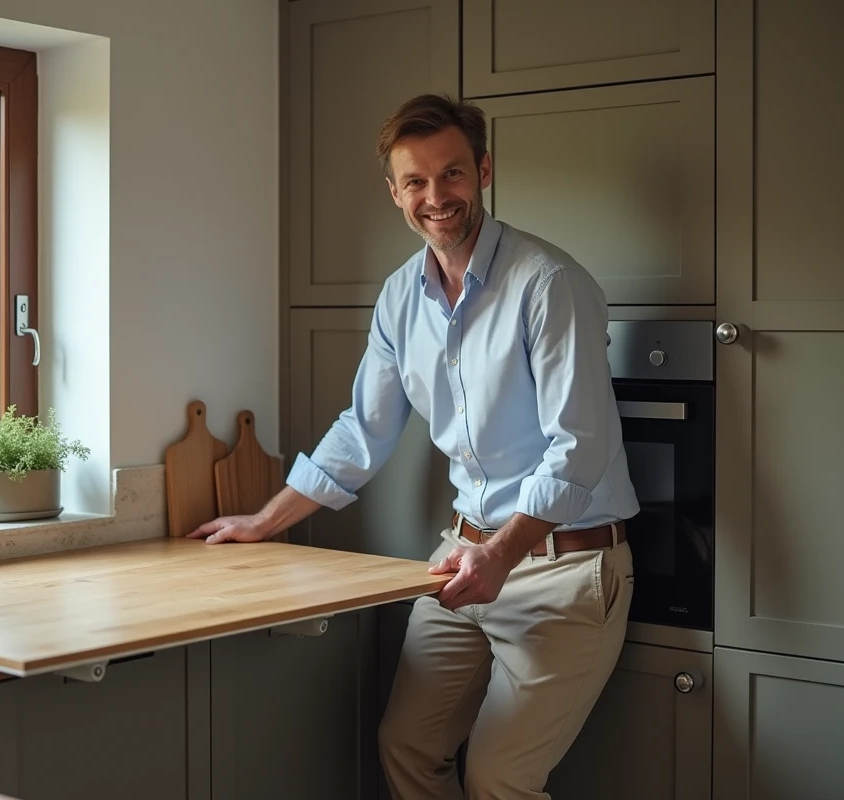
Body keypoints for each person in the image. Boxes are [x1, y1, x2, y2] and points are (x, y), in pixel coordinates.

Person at [188, 93, 639, 800]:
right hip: (460, 558)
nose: (437, 196)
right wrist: (263, 522)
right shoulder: (401, 296)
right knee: (407, 747)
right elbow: (363, 430)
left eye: (452, 174)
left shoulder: (550, 284)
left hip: (562, 570)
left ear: (484, 171)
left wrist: (501, 554)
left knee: (498, 780)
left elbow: (577, 449)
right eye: (417, 181)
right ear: (394, 191)